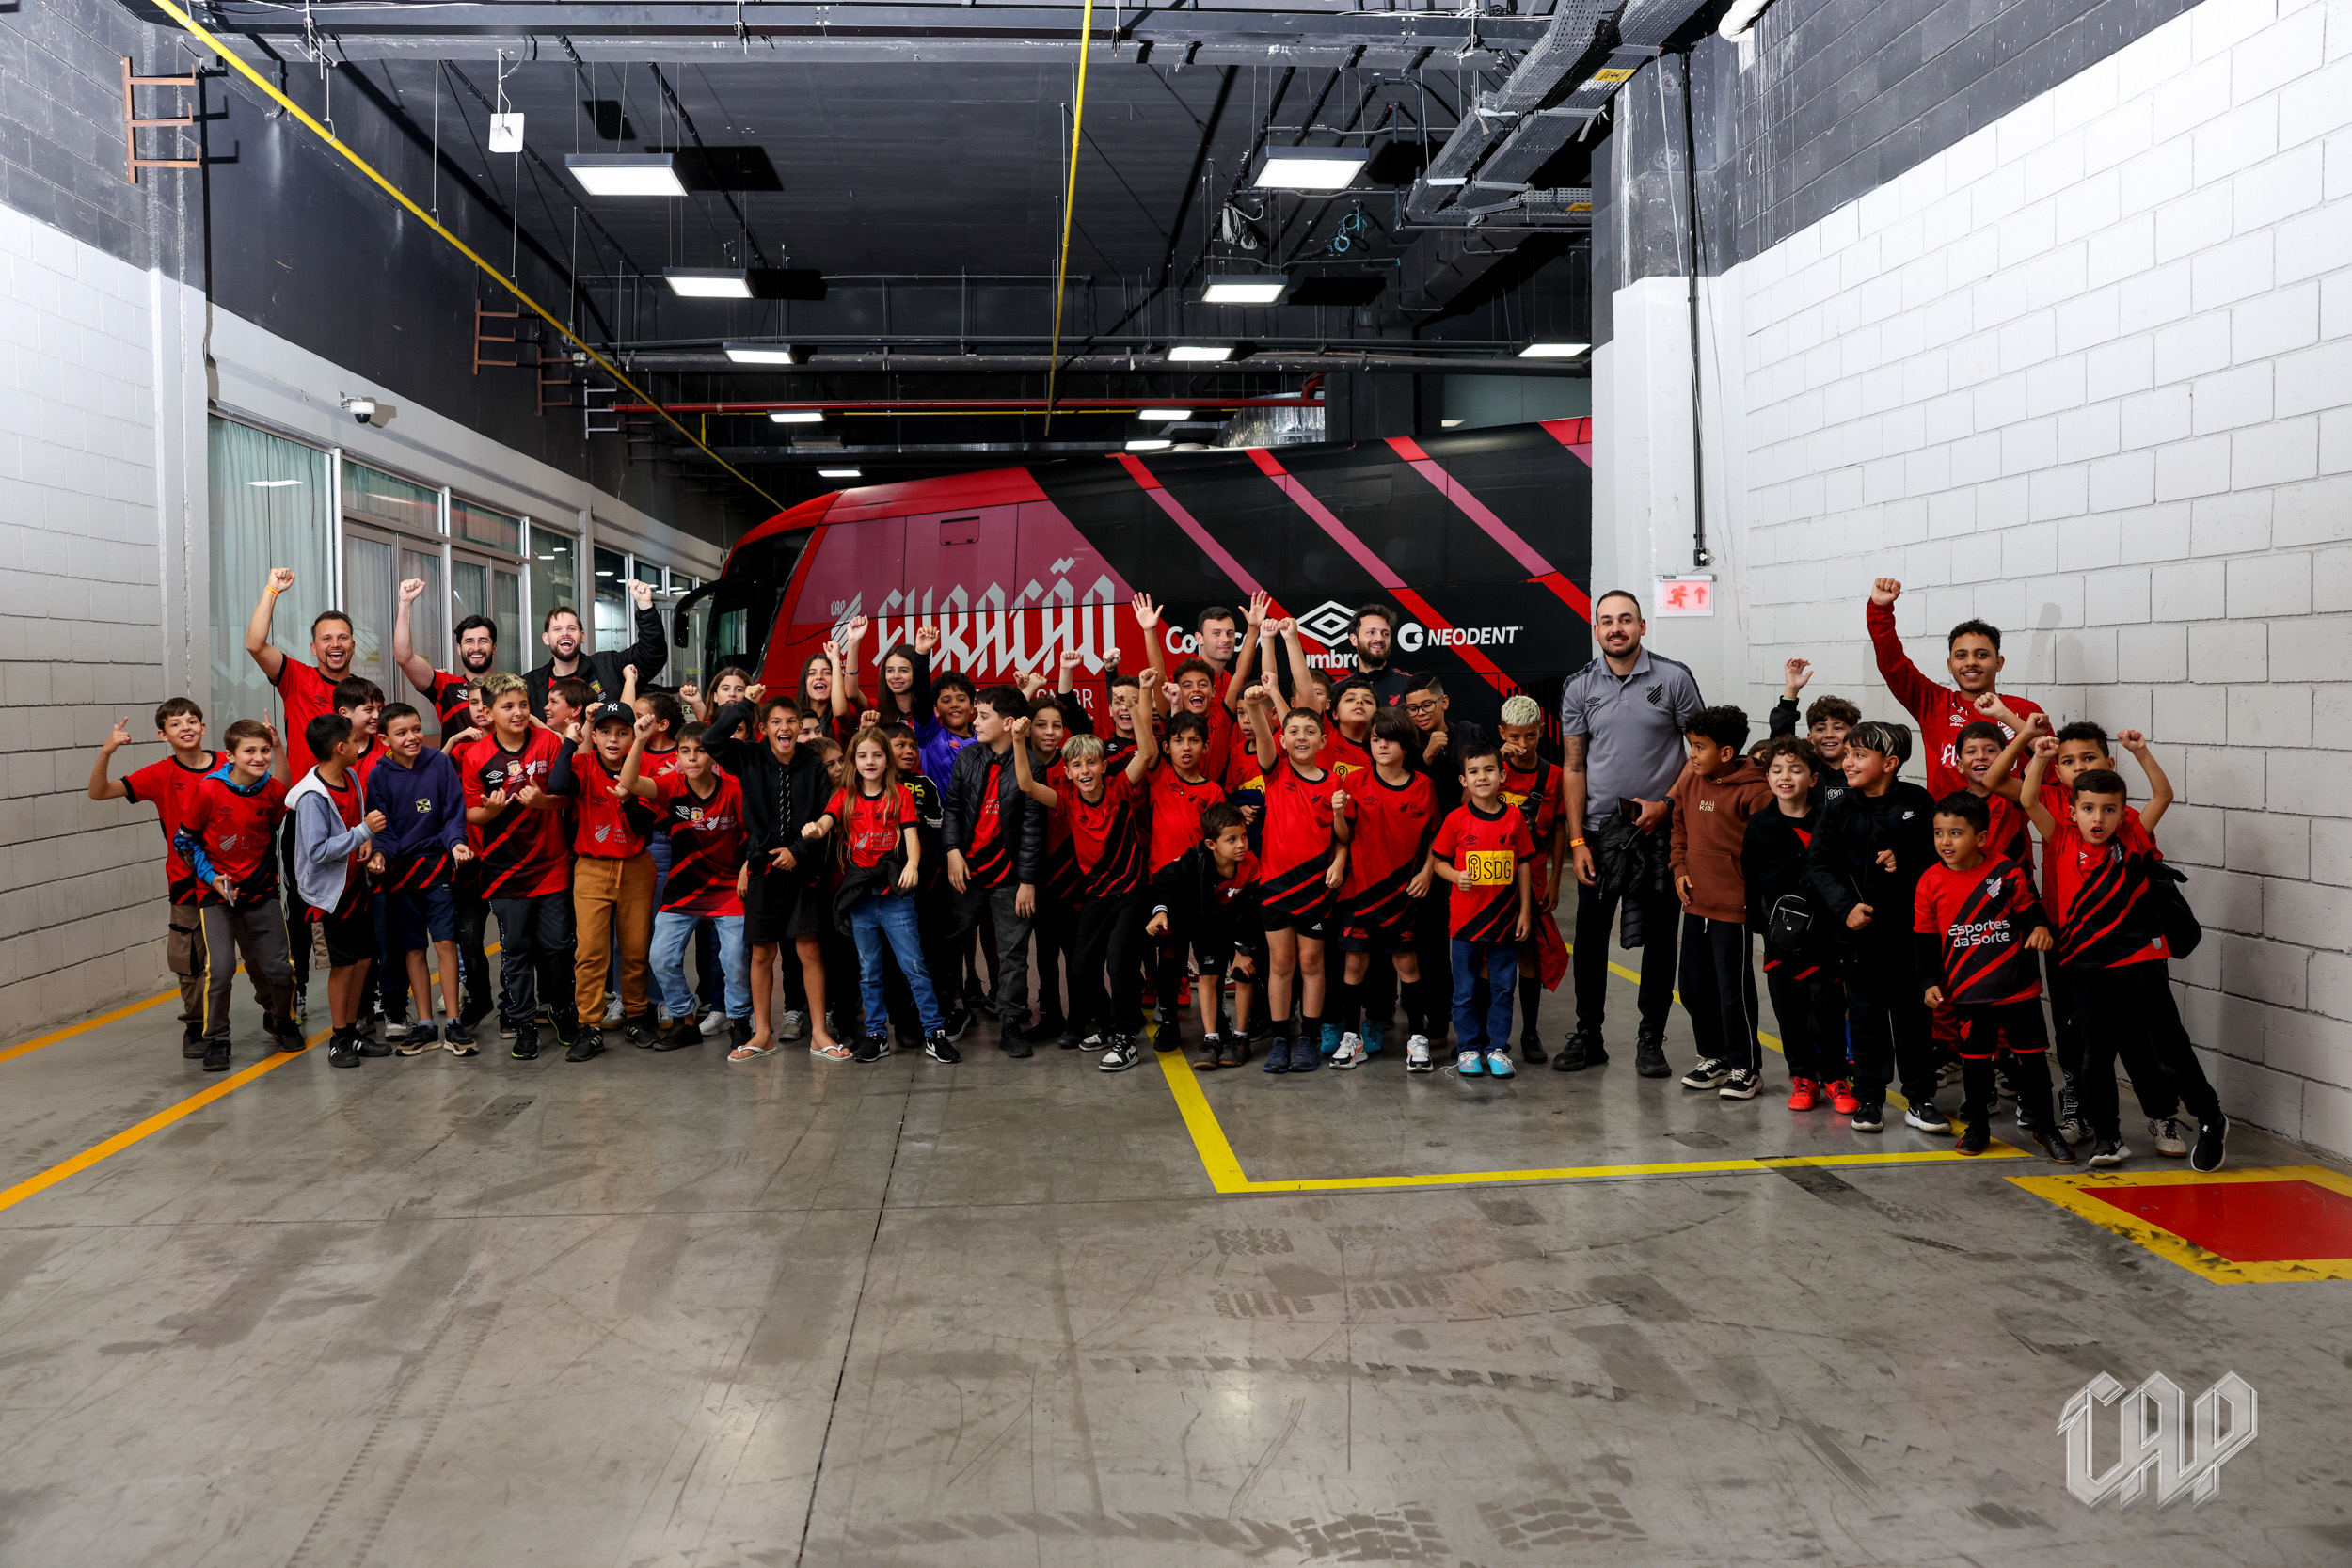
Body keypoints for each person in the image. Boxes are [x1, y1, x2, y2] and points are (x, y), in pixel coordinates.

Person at [2020, 733, 2227, 1171]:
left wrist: (2140, 753)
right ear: (2072, 812)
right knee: (2095, 1052)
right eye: (2089, 809)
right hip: (2085, 964)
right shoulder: (2060, 838)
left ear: (2122, 813)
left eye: (2109, 809)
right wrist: (2038, 757)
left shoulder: (2133, 835)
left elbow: (2163, 795)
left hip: (2140, 960)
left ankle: (2210, 1118)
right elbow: (2028, 799)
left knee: (2167, 1045)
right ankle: (2108, 1137)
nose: (2098, 817)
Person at [1983, 709, 2184, 1149]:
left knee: (2140, 1033)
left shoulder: (2126, 820)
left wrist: (2141, 753)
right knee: (2074, 1029)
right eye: (2069, 761)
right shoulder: (2056, 810)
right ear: (2058, 773)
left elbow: (2163, 796)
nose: (2079, 768)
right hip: (2069, 940)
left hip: (2127, 946)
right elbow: (2005, 785)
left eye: (2089, 758)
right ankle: (2079, 1105)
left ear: (2110, 765)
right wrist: (2031, 743)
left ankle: (2161, 1113)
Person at [1558, 590, 1704, 1075]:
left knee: (1661, 940)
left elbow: (1700, 754)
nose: (1616, 628)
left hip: (1660, 832)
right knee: (1590, 939)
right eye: (1607, 621)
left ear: (1642, 626)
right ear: (1596, 630)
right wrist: (1577, 841)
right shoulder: (1578, 685)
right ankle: (1588, 1036)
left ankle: (1651, 1040)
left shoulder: (1674, 678)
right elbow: (1573, 766)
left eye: (1625, 619)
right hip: (1601, 835)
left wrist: (1667, 805)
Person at [89, 699, 260, 1058]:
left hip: (239, 878)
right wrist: (107, 752)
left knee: (258, 954)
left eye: (191, 720)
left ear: (203, 727)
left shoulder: (230, 764)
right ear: (162, 735)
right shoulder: (160, 774)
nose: (185, 727)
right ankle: (196, 1026)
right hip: (187, 883)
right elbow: (99, 791)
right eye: (175, 723)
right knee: (191, 961)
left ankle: (278, 1015)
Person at [1913, 791, 2073, 1162]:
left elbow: (2030, 909)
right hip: (1968, 992)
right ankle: (1978, 1128)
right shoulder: (1929, 881)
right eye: (1938, 833)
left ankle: (2045, 1127)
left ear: (1981, 838)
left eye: (1955, 833)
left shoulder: (2005, 870)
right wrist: (1928, 981)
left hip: (2018, 988)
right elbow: (1923, 940)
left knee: (2033, 1061)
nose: (1945, 841)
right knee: (1975, 1062)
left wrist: (2039, 928)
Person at [1804, 721, 1943, 1134]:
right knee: (1865, 1018)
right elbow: (1819, 865)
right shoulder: (1839, 808)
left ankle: (1920, 1099)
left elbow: (1941, 852)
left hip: (1912, 934)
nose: (1848, 762)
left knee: (1914, 1018)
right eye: (1847, 754)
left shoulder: (1918, 801)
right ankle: (1869, 1099)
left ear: (1890, 763)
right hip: (1860, 937)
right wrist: (1845, 907)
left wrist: (1907, 857)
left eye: (1859, 755)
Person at [1010, 713, 1161, 1072]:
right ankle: (1108, 1026)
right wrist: (1017, 740)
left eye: (1091, 763)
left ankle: (1125, 1039)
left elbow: (1146, 752)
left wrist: (1137, 701)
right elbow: (1027, 785)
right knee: (1082, 969)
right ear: (1067, 772)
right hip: (1097, 895)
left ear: (1104, 766)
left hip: (1131, 892)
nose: (1084, 770)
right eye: (1076, 765)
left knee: (1119, 963)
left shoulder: (1119, 789)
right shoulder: (1066, 800)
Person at [704, 688, 840, 1061]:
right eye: (776, 722)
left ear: (799, 727)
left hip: (803, 868)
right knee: (762, 952)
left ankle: (819, 1033)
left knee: (809, 948)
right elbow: (712, 739)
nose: (785, 728)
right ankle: (762, 1033)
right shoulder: (748, 755)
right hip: (763, 869)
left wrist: (798, 851)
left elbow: (823, 817)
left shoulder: (812, 764)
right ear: (763, 728)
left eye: (791, 721)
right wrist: (746, 705)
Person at [245, 567, 356, 1023]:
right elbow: (255, 644)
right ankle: (298, 990)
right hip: (307, 811)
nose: (335, 644)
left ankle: (363, 998)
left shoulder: (361, 694)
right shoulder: (297, 678)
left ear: (353, 645)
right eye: (326, 638)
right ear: (314, 647)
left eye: (342, 637)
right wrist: (272, 590)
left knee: (354, 903)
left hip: (351, 813)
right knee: (301, 907)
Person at [173, 720, 306, 1070]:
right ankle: (217, 1038)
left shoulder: (271, 790)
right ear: (230, 756)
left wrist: (280, 749)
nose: (259, 757)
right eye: (250, 751)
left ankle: (282, 1020)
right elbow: (184, 841)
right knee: (221, 970)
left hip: (262, 892)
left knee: (279, 967)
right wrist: (211, 877)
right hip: (217, 896)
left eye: (264, 750)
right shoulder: (208, 790)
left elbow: (278, 813)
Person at [461, 672, 577, 1061]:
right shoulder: (476, 755)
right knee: (517, 950)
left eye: (523, 704)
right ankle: (524, 1022)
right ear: (488, 712)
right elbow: (472, 813)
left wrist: (543, 802)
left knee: (557, 946)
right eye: (508, 706)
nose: (518, 712)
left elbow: (566, 797)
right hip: (504, 870)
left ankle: (561, 1009)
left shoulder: (549, 742)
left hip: (552, 864)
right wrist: (490, 811)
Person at [826, 725, 960, 1063]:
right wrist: (817, 827)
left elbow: (912, 837)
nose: (870, 761)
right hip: (860, 899)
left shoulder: (900, 794)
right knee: (869, 971)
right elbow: (827, 820)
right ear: (854, 761)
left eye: (876, 754)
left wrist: (912, 864)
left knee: (914, 966)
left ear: (887, 759)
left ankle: (934, 1033)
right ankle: (877, 1036)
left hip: (895, 897)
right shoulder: (844, 797)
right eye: (862, 756)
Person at [621, 720, 755, 1053]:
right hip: (683, 890)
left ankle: (739, 1022)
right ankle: (685, 1021)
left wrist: (747, 868)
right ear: (677, 756)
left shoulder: (735, 789)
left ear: (714, 756)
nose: (692, 758)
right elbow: (629, 783)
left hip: (727, 889)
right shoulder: (672, 785)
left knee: (735, 958)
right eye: (685, 751)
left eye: (701, 751)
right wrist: (640, 740)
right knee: (661, 958)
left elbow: (757, 835)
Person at [1241, 683, 1349, 1073]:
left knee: (1311, 963)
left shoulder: (1334, 784)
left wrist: (1339, 862)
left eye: (1309, 731)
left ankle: (1309, 1037)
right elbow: (1262, 737)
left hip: (1315, 890)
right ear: (1283, 740)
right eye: (1293, 732)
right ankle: (1281, 1038)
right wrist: (1255, 706)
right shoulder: (1276, 772)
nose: (1301, 737)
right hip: (1274, 887)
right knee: (1281, 963)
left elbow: (1343, 838)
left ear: (1323, 740)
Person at [1668, 706, 1773, 1100]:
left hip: (1733, 909)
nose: (1692, 755)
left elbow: (1766, 852)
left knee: (1733, 991)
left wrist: (1747, 892)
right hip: (1696, 903)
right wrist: (1679, 867)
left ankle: (1746, 1066)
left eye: (1700, 747)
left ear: (1726, 753)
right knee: (1693, 988)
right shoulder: (1691, 782)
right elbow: (1678, 827)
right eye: (1691, 746)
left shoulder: (1756, 792)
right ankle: (1714, 1056)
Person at [1741, 737, 1851, 1113]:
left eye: (1795, 769)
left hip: (1826, 934)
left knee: (1828, 1008)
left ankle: (1835, 1077)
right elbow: (1751, 879)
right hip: (1781, 937)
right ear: (1767, 777)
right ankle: (1802, 1076)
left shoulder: (1830, 820)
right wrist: (1761, 926)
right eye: (1776, 770)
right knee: (1789, 1009)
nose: (1785, 776)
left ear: (1813, 779)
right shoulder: (1759, 825)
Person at [364, 703, 478, 1057]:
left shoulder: (440, 764)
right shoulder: (378, 776)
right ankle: (426, 1024)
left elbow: (453, 815)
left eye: (416, 729)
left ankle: (454, 1023)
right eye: (401, 733)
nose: (412, 737)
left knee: (445, 943)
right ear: (385, 739)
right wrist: (380, 854)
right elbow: (382, 829)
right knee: (413, 949)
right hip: (399, 876)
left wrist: (456, 843)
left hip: (437, 869)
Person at [1865, 578, 2046, 799]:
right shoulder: (1934, 704)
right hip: (1948, 821)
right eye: (1961, 656)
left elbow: (2054, 774)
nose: (1971, 662)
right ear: (1950, 666)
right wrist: (1880, 611)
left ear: (1999, 663)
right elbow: (1893, 665)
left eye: (1982, 654)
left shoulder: (2025, 711)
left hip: (2009, 822)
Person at [1330, 706, 1438, 1070]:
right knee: (1354, 964)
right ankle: (1352, 1038)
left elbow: (1435, 837)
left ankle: (1417, 1040)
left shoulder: (1423, 786)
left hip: (1401, 894)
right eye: (1376, 739)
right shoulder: (1355, 782)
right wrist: (1337, 812)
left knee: (1407, 963)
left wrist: (1427, 872)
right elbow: (1343, 836)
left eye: (1390, 739)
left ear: (1406, 745)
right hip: (1359, 891)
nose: (1381, 745)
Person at [555, 704, 663, 1061]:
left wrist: (627, 797)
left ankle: (637, 1016)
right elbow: (557, 785)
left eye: (622, 732)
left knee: (635, 950)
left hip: (636, 867)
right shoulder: (584, 765)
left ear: (633, 736)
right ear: (595, 736)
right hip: (592, 867)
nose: (613, 739)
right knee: (590, 953)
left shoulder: (644, 768)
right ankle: (589, 1026)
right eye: (605, 732)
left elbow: (643, 825)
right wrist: (570, 742)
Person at [941, 684, 1044, 1056]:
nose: (976, 721)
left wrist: (1027, 881)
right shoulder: (968, 757)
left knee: (1013, 954)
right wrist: (953, 851)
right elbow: (953, 809)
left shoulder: (1031, 765)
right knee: (950, 942)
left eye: (984, 716)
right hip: (967, 872)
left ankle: (1011, 1022)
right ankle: (952, 1010)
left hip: (1010, 878)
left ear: (1009, 722)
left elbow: (1033, 829)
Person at [1429, 739, 1535, 1077]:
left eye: (1489, 770)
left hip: (1505, 920)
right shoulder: (1456, 819)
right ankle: (1468, 1048)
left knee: (1503, 988)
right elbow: (1438, 862)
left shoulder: (1515, 818)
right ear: (1464, 780)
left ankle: (1497, 1048)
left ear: (1502, 775)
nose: (1482, 777)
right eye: (1474, 772)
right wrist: (1455, 875)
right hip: (1465, 922)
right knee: (1465, 990)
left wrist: (1524, 911)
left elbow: (1523, 865)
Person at [289, 714, 388, 1069]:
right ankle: (339, 1037)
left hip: (354, 884)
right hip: (329, 897)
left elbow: (355, 827)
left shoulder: (351, 778)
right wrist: (363, 832)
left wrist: (366, 843)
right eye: (355, 740)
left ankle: (353, 1030)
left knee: (363, 960)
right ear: (340, 748)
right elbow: (317, 851)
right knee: (343, 965)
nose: (361, 744)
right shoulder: (313, 796)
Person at [1147, 803, 1263, 1070]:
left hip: (1239, 929)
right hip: (1206, 927)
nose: (1241, 845)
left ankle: (1240, 1038)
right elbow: (1164, 883)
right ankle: (1211, 1039)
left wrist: (1243, 950)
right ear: (1211, 844)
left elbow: (1251, 911)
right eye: (1231, 839)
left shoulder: (1251, 865)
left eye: (1243, 836)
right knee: (1209, 977)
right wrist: (1160, 912)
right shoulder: (1193, 861)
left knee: (1243, 973)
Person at [1496, 695, 1565, 1067]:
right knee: (1487, 950)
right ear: (1502, 733)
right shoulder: (1493, 767)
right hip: (1491, 872)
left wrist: (1555, 880)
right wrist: (1496, 763)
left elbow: (1559, 828)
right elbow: (1464, 806)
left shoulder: (1553, 776)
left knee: (1529, 950)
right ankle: (1488, 1033)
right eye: (1515, 737)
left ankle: (1530, 1031)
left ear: (1541, 731)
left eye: (1531, 736)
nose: (1523, 745)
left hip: (1534, 872)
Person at [525, 578, 666, 718]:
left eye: (571, 628)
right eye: (557, 629)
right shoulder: (531, 684)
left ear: (582, 636)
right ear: (546, 638)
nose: (565, 633)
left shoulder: (608, 666)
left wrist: (645, 607)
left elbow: (651, 654)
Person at [390, 576, 500, 741]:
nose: (476, 647)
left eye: (483, 641)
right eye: (469, 641)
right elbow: (404, 657)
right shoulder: (446, 686)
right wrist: (405, 603)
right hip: (455, 759)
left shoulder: (508, 688)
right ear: (459, 649)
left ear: (494, 648)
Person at [1343, 602, 1412, 705]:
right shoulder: (1339, 690)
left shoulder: (1410, 686)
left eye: (1385, 634)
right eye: (1371, 632)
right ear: (1354, 640)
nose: (1379, 638)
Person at [923, 671, 978, 787]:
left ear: (972, 707)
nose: (954, 705)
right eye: (946, 701)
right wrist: (921, 660)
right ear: (936, 710)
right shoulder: (931, 737)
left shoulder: (985, 739)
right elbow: (920, 697)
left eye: (961, 699)